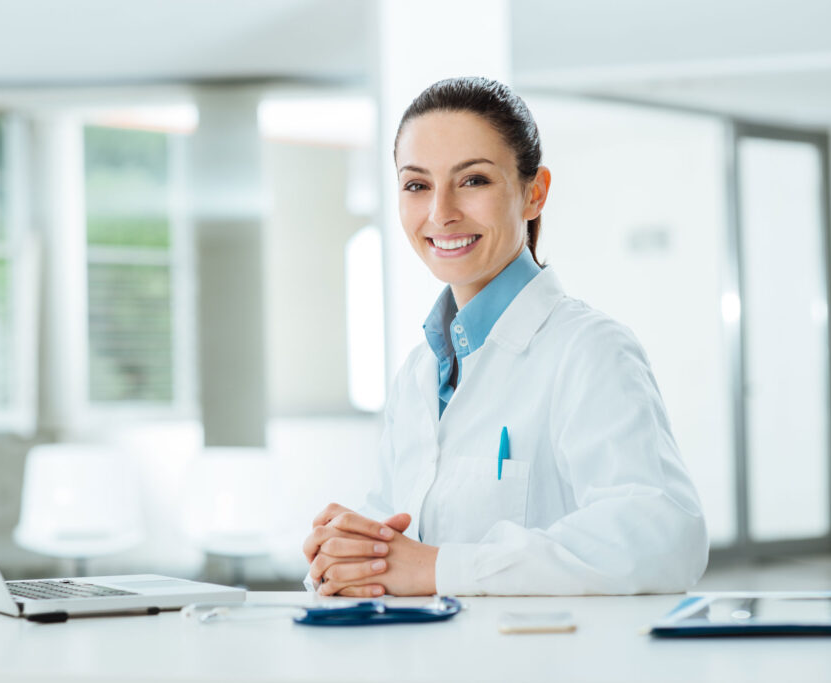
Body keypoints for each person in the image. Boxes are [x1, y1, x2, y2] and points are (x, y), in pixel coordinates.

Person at [302, 77, 709, 598]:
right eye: (417, 185)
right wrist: (345, 555)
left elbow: (662, 537)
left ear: (533, 193)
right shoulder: (419, 373)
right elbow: (395, 534)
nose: (441, 212)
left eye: (473, 180)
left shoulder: (589, 350)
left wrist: (438, 568)